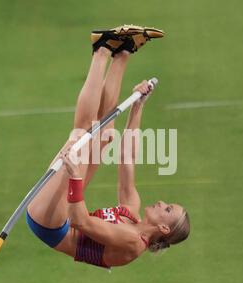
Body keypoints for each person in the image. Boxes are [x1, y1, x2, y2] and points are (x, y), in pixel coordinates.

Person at [26, 25, 190, 268]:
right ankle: (123, 52)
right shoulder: (131, 211)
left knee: (82, 134)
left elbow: (80, 220)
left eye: (167, 209)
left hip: (50, 224)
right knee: (105, 137)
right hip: (62, 217)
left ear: (164, 228)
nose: (162, 202)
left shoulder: (133, 241)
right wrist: (138, 106)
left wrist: (74, 176)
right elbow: (127, 158)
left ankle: (101, 49)